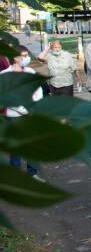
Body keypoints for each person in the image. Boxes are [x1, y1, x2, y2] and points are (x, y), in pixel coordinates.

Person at [1, 45, 45, 182]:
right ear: (15, 57)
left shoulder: (30, 71)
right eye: (24, 55)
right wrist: (24, 110)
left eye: (27, 55)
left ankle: (32, 173)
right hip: (14, 115)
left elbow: (38, 90)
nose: (27, 58)